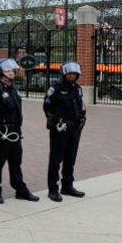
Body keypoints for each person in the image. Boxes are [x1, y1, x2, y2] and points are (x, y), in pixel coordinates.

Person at [0, 58, 39, 204]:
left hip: (15, 132)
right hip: (2, 133)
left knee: (16, 162)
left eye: (12, 70)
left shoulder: (13, 89)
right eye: (7, 70)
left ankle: (20, 190)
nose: (11, 73)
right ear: (0, 72)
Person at [43, 61, 87, 202]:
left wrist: (81, 117)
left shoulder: (76, 88)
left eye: (74, 74)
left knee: (70, 158)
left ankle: (67, 186)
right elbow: (47, 105)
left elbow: (79, 105)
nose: (72, 76)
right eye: (69, 73)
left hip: (74, 128)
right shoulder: (55, 88)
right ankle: (53, 189)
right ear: (64, 74)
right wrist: (53, 120)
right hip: (60, 128)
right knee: (56, 159)